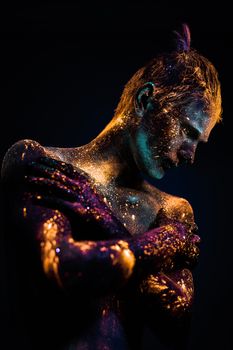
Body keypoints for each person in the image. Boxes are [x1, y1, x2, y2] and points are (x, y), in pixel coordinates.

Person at [1, 24, 222, 350]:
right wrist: (164, 241)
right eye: (188, 132)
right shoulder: (41, 165)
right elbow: (62, 268)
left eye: (199, 142)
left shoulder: (173, 209)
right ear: (146, 100)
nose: (190, 156)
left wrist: (99, 217)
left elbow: (176, 321)